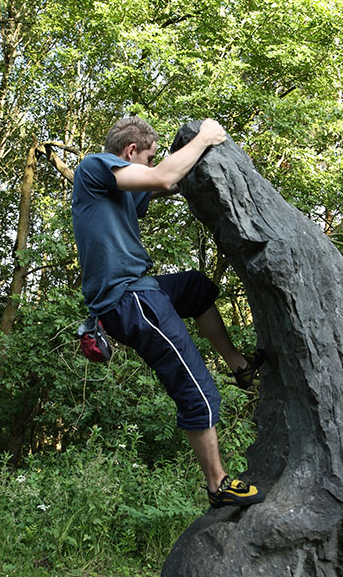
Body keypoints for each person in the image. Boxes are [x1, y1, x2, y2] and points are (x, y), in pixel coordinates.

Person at [72, 116, 265, 508]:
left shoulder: (121, 190)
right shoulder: (94, 166)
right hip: (131, 301)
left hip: (138, 292)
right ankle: (218, 484)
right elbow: (161, 179)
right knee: (197, 390)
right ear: (130, 153)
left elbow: (169, 182)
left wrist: (194, 161)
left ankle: (239, 365)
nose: (153, 162)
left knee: (195, 287)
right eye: (149, 156)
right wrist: (207, 136)